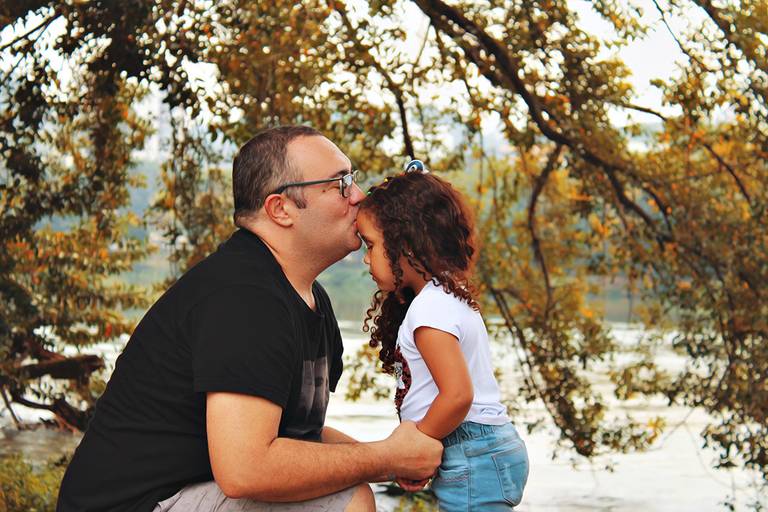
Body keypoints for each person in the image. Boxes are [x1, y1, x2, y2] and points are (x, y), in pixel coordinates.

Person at [57, 127, 443, 512]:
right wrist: (385, 458)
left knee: (350, 486)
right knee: (347, 502)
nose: (359, 196)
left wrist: (392, 459)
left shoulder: (308, 299)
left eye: (353, 180)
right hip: (134, 504)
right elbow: (246, 469)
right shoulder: (244, 298)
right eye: (340, 183)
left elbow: (298, 437)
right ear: (281, 209)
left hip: (188, 492)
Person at [356, 160, 530, 511]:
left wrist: (416, 445)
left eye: (370, 245)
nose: (365, 259)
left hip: (471, 451)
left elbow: (457, 396)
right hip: (479, 450)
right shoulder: (445, 297)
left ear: (405, 246)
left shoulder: (430, 311)